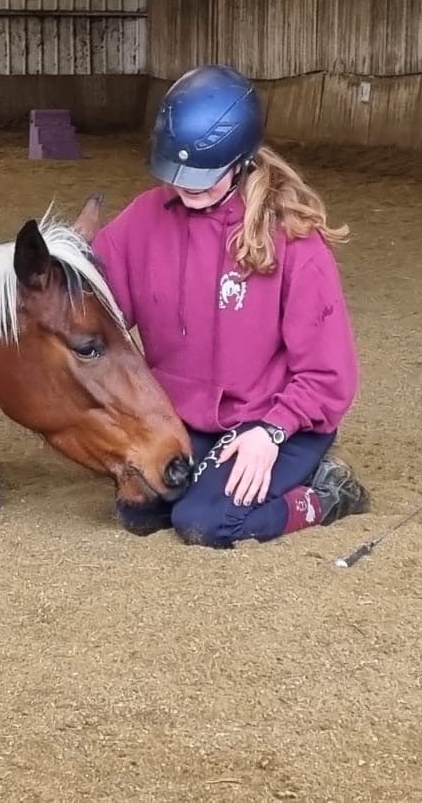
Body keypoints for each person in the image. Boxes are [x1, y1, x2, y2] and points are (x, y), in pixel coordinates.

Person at [89, 63, 370, 549]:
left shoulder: (293, 240)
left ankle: (326, 492)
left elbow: (329, 374)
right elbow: (93, 299)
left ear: (239, 161)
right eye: (174, 174)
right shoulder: (144, 219)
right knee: (139, 511)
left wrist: (273, 431)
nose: (184, 187)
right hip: (186, 417)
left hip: (273, 420)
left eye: (202, 177)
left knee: (205, 522)